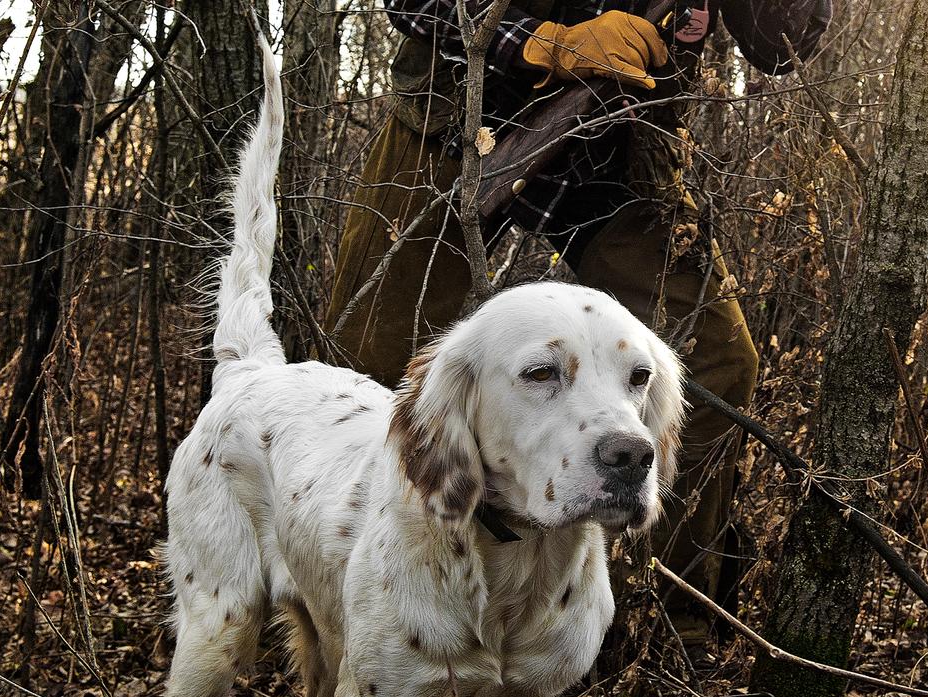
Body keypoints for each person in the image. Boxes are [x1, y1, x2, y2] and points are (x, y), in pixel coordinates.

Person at [324, 0, 831, 643]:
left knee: (718, 361)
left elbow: (787, 45)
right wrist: (547, 42)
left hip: (616, 152)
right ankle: (359, 600)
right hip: (461, 106)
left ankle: (678, 626)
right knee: (368, 354)